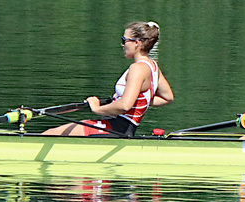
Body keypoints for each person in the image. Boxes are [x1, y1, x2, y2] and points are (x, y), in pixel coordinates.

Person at [44, 21, 174, 137]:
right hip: (120, 126)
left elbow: (124, 106)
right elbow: (167, 97)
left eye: (124, 40)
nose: (122, 45)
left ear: (137, 43)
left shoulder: (138, 68)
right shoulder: (153, 66)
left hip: (116, 128)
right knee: (52, 132)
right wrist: (134, 101)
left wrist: (97, 108)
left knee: (49, 135)